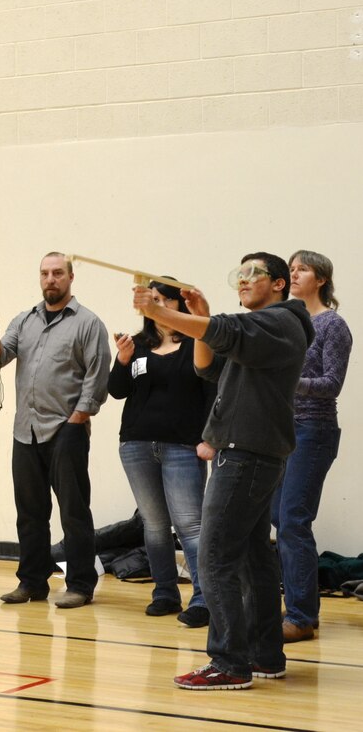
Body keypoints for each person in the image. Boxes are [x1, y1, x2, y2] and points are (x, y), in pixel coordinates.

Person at [133, 253, 314, 690]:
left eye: (255, 273)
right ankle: (264, 656)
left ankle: (229, 662)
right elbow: (206, 366)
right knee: (253, 559)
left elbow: (227, 330)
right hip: (246, 453)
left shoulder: (280, 322)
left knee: (214, 556)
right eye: (241, 274)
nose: (244, 280)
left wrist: (161, 312)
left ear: (279, 284)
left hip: (246, 454)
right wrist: (199, 318)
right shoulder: (261, 331)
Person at [0, 252, 111, 609]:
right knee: (30, 511)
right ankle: (32, 583)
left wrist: (79, 418)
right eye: (44, 273)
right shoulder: (24, 320)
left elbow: (97, 376)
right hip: (26, 430)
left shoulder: (87, 323)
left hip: (66, 430)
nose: (50, 279)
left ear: (70, 278)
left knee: (73, 512)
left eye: (57, 273)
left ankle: (81, 585)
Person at [108, 279, 215, 628]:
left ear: (176, 304)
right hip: (137, 444)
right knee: (154, 525)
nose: (153, 305)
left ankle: (203, 598)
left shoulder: (196, 341)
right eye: (149, 300)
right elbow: (117, 391)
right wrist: (122, 361)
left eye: (161, 300)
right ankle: (165, 592)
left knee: (190, 525)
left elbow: (211, 393)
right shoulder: (137, 345)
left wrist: (209, 439)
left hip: (184, 446)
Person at [271, 250, 352, 643]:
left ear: (321, 278)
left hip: (313, 431)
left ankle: (302, 616)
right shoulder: (289, 322)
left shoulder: (332, 325)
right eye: (291, 269)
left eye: (302, 269)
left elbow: (332, 384)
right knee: (276, 517)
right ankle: (301, 605)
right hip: (281, 431)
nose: (294, 274)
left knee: (293, 521)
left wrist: (290, 381)